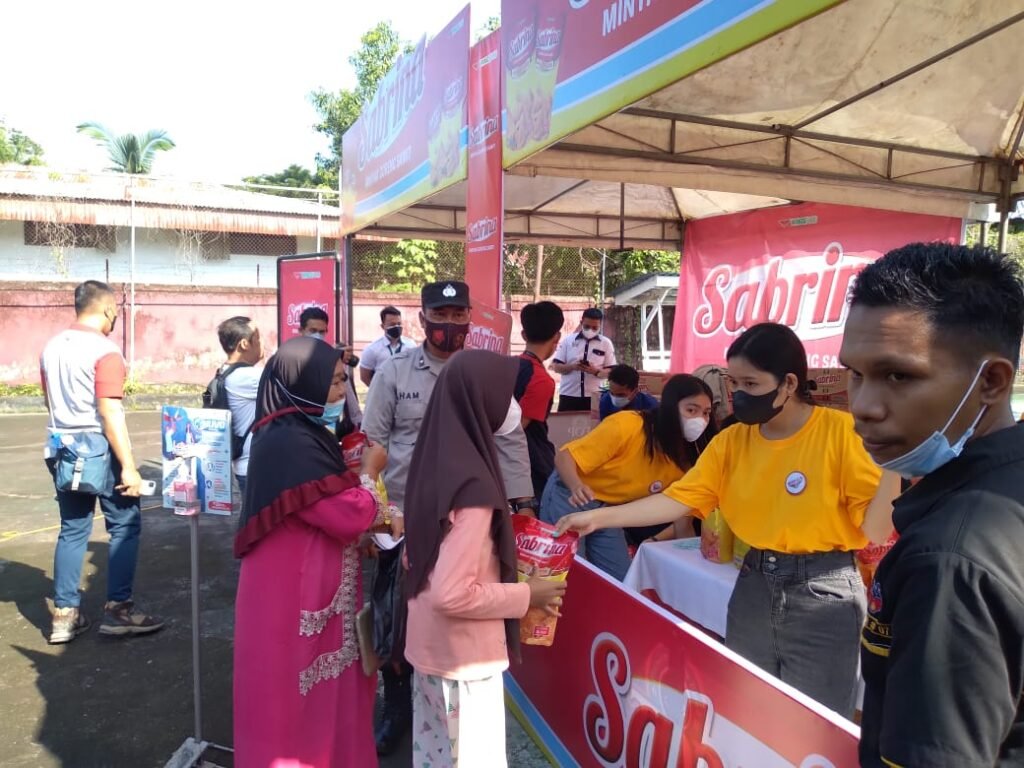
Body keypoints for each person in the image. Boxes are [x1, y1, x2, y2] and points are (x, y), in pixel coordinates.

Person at [555, 322, 899, 718]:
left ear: (789, 383)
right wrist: (598, 518)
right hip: (753, 583)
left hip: (823, 592)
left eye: (751, 384)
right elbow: (677, 499)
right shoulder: (732, 442)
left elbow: (875, 530)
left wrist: (894, 462)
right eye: (734, 383)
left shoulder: (841, 435)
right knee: (750, 714)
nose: (738, 395)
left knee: (813, 721)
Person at [839, 243, 1024, 768]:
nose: (863, 408)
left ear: (991, 382)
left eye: (898, 376)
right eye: (855, 373)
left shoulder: (948, 560)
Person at [362, 280, 535, 754]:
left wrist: (521, 505)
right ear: (423, 319)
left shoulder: (481, 374)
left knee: (437, 616)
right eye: (441, 315)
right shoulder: (395, 372)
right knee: (397, 619)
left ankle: (432, 710)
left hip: (460, 519)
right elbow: (375, 443)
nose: (451, 324)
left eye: (460, 315)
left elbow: (510, 440)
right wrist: (373, 514)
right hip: (404, 520)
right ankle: (398, 708)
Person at [233, 336, 398, 768]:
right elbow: (348, 514)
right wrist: (370, 472)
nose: (342, 392)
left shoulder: (297, 432)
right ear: (302, 384)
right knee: (296, 712)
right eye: (334, 382)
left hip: (314, 594)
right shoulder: (290, 443)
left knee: (325, 702)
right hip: (296, 600)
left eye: (344, 381)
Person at [404, 350, 566, 767]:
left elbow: (418, 557)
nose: (511, 407)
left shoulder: (433, 462)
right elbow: (452, 593)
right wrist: (527, 594)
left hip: (429, 648)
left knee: (437, 757)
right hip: (464, 660)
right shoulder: (474, 491)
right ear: (481, 401)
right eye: (505, 395)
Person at [40, 280, 164, 644]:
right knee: (125, 525)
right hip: (99, 449)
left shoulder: (51, 347)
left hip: (61, 447)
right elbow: (110, 412)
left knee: (73, 528)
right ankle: (119, 610)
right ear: (109, 309)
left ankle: (64, 616)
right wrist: (129, 466)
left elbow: (49, 402)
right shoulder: (105, 351)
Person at [541, 375, 717, 580]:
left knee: (621, 578)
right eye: (691, 410)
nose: (700, 420)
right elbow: (564, 457)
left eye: (706, 413)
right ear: (670, 407)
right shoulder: (628, 425)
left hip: (610, 510)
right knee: (566, 573)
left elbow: (682, 521)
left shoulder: (688, 459)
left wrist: (691, 565)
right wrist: (576, 485)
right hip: (569, 497)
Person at [515, 300, 564, 504]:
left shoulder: (508, 365)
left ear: (523, 335)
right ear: (557, 337)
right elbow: (516, 430)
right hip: (531, 464)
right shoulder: (541, 380)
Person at [214, 316, 263, 495]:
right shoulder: (248, 377)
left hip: (242, 464)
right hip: (254, 467)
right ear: (244, 344)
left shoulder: (224, 372)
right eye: (258, 338)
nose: (262, 344)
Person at [299, 306, 363, 430]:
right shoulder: (292, 359)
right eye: (312, 331)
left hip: (329, 427)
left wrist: (358, 421)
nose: (317, 335)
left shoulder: (334, 359)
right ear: (301, 331)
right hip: (302, 427)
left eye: (322, 332)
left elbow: (348, 395)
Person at [551, 308, 616, 412]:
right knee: (565, 422)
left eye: (595, 328)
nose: (590, 330)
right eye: (587, 326)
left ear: (600, 325)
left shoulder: (606, 343)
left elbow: (612, 373)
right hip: (569, 395)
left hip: (595, 395)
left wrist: (595, 371)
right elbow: (556, 367)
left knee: (594, 422)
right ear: (581, 323)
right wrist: (572, 367)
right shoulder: (568, 341)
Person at [359, 305, 414, 387]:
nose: (396, 327)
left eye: (399, 324)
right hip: (382, 392)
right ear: (383, 326)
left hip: (406, 391)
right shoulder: (372, 349)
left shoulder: (411, 346)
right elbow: (364, 377)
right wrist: (377, 391)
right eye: (392, 324)